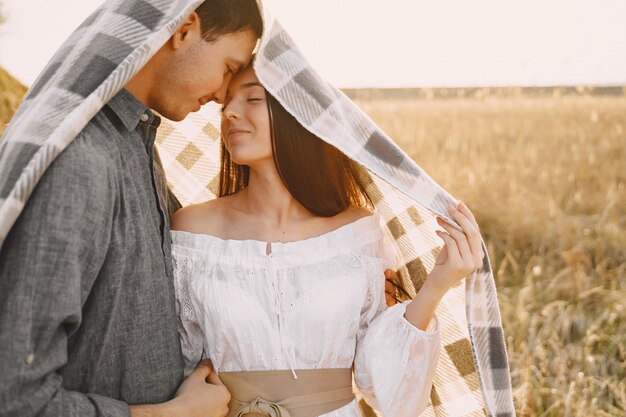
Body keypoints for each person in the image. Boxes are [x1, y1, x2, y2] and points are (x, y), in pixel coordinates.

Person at [170, 63, 486, 417]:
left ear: (301, 113)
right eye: (226, 102)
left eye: (253, 98)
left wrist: (436, 285)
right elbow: (177, 361)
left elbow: (390, 395)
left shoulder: (358, 234)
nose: (229, 112)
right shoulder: (191, 231)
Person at [0, 1, 262, 417]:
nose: (220, 96)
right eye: (228, 68)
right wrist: (170, 415)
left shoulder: (133, 145)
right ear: (184, 30)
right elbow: (14, 397)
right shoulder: (81, 163)